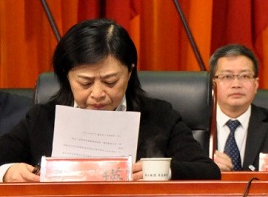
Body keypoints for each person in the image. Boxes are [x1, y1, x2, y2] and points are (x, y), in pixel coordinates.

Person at [0, 18, 220, 182]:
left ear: (130, 72)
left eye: (110, 81)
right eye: (85, 82)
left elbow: (208, 171)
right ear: (67, 76)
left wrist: (163, 171)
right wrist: (7, 172)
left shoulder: (159, 116)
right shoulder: (43, 118)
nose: (98, 93)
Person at [209, 44, 268, 171]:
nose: (236, 84)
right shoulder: (193, 129)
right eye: (227, 77)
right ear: (212, 84)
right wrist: (204, 166)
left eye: (245, 76)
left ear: (256, 84)